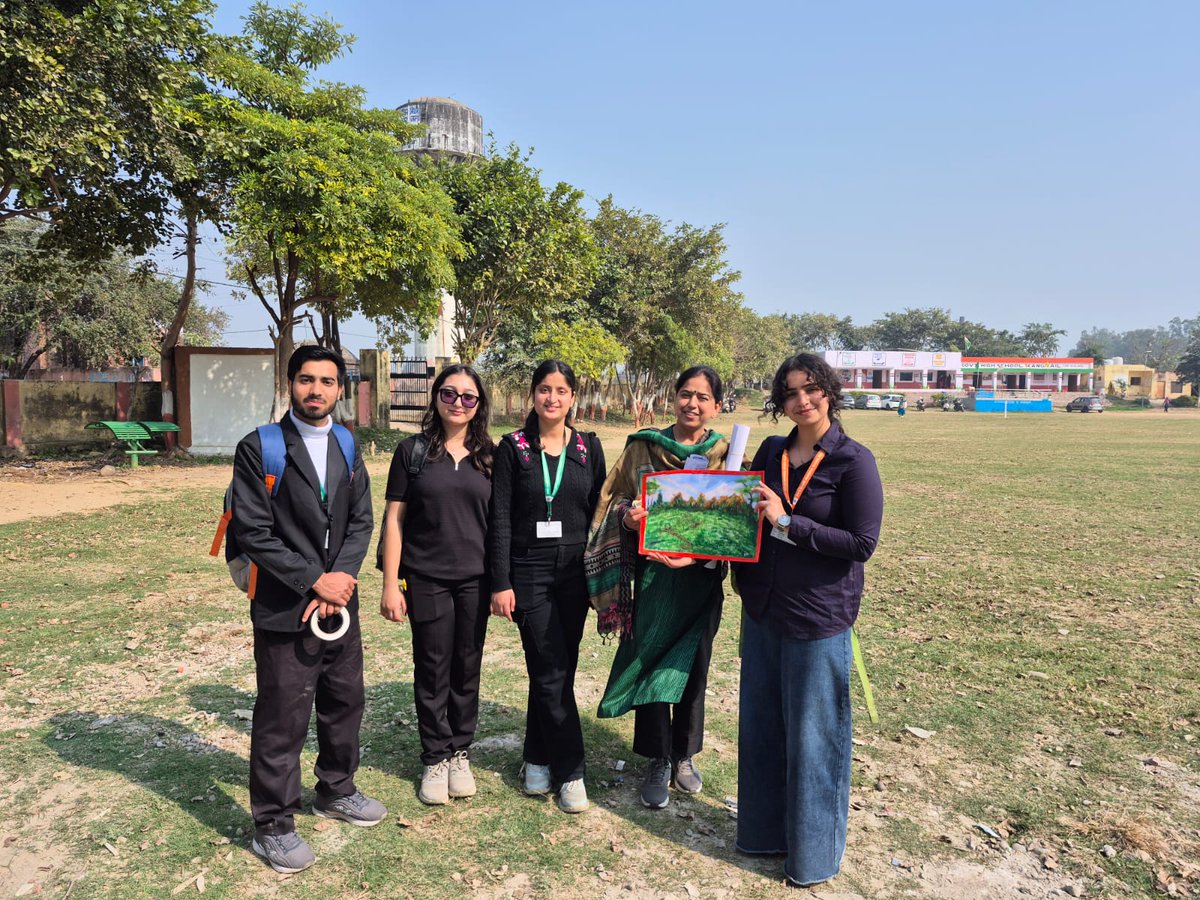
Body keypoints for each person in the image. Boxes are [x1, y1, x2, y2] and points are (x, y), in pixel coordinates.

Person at [231, 345, 384, 875]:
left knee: (344, 700)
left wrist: (339, 579)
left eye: (326, 381)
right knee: (283, 713)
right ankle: (273, 824)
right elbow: (252, 531)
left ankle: (336, 789)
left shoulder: (346, 442)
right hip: (283, 605)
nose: (316, 390)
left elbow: (361, 519)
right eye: (305, 380)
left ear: (340, 389)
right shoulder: (260, 448)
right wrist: (314, 579)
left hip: (340, 603)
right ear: (290, 384)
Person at [733, 352, 884, 888]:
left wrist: (789, 522)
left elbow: (862, 543)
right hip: (764, 609)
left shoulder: (852, 460)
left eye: (812, 389)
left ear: (830, 392)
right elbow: (737, 511)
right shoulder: (772, 451)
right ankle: (761, 835)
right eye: (791, 392)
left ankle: (812, 858)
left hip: (818, 619)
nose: (802, 401)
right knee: (762, 728)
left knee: (815, 738)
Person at [585, 366, 730, 810]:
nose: (693, 404)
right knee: (649, 663)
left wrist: (702, 555)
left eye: (703, 397)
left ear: (716, 406)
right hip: (652, 577)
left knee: (694, 668)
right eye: (685, 394)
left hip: (701, 578)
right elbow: (613, 498)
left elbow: (732, 516)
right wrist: (628, 516)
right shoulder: (643, 445)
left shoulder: (727, 451)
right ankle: (657, 759)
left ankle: (684, 755)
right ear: (673, 398)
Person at [489, 360, 607, 813]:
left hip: (575, 572)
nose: (552, 398)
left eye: (561, 391)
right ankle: (571, 769)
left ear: (573, 398)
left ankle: (536, 756)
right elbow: (499, 518)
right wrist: (501, 581)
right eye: (544, 390)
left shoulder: (587, 447)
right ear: (532, 396)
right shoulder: (513, 448)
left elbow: (602, 508)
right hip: (529, 570)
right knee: (549, 665)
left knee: (557, 668)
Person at [379, 365, 495, 806]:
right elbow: (394, 520)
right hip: (424, 578)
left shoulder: (491, 456)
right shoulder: (412, 452)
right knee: (431, 668)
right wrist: (391, 583)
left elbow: (500, 525)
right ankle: (435, 757)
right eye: (450, 394)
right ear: (436, 398)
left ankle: (459, 751)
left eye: (469, 396)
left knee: (466, 668)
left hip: (476, 581)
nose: (459, 403)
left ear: (479, 404)